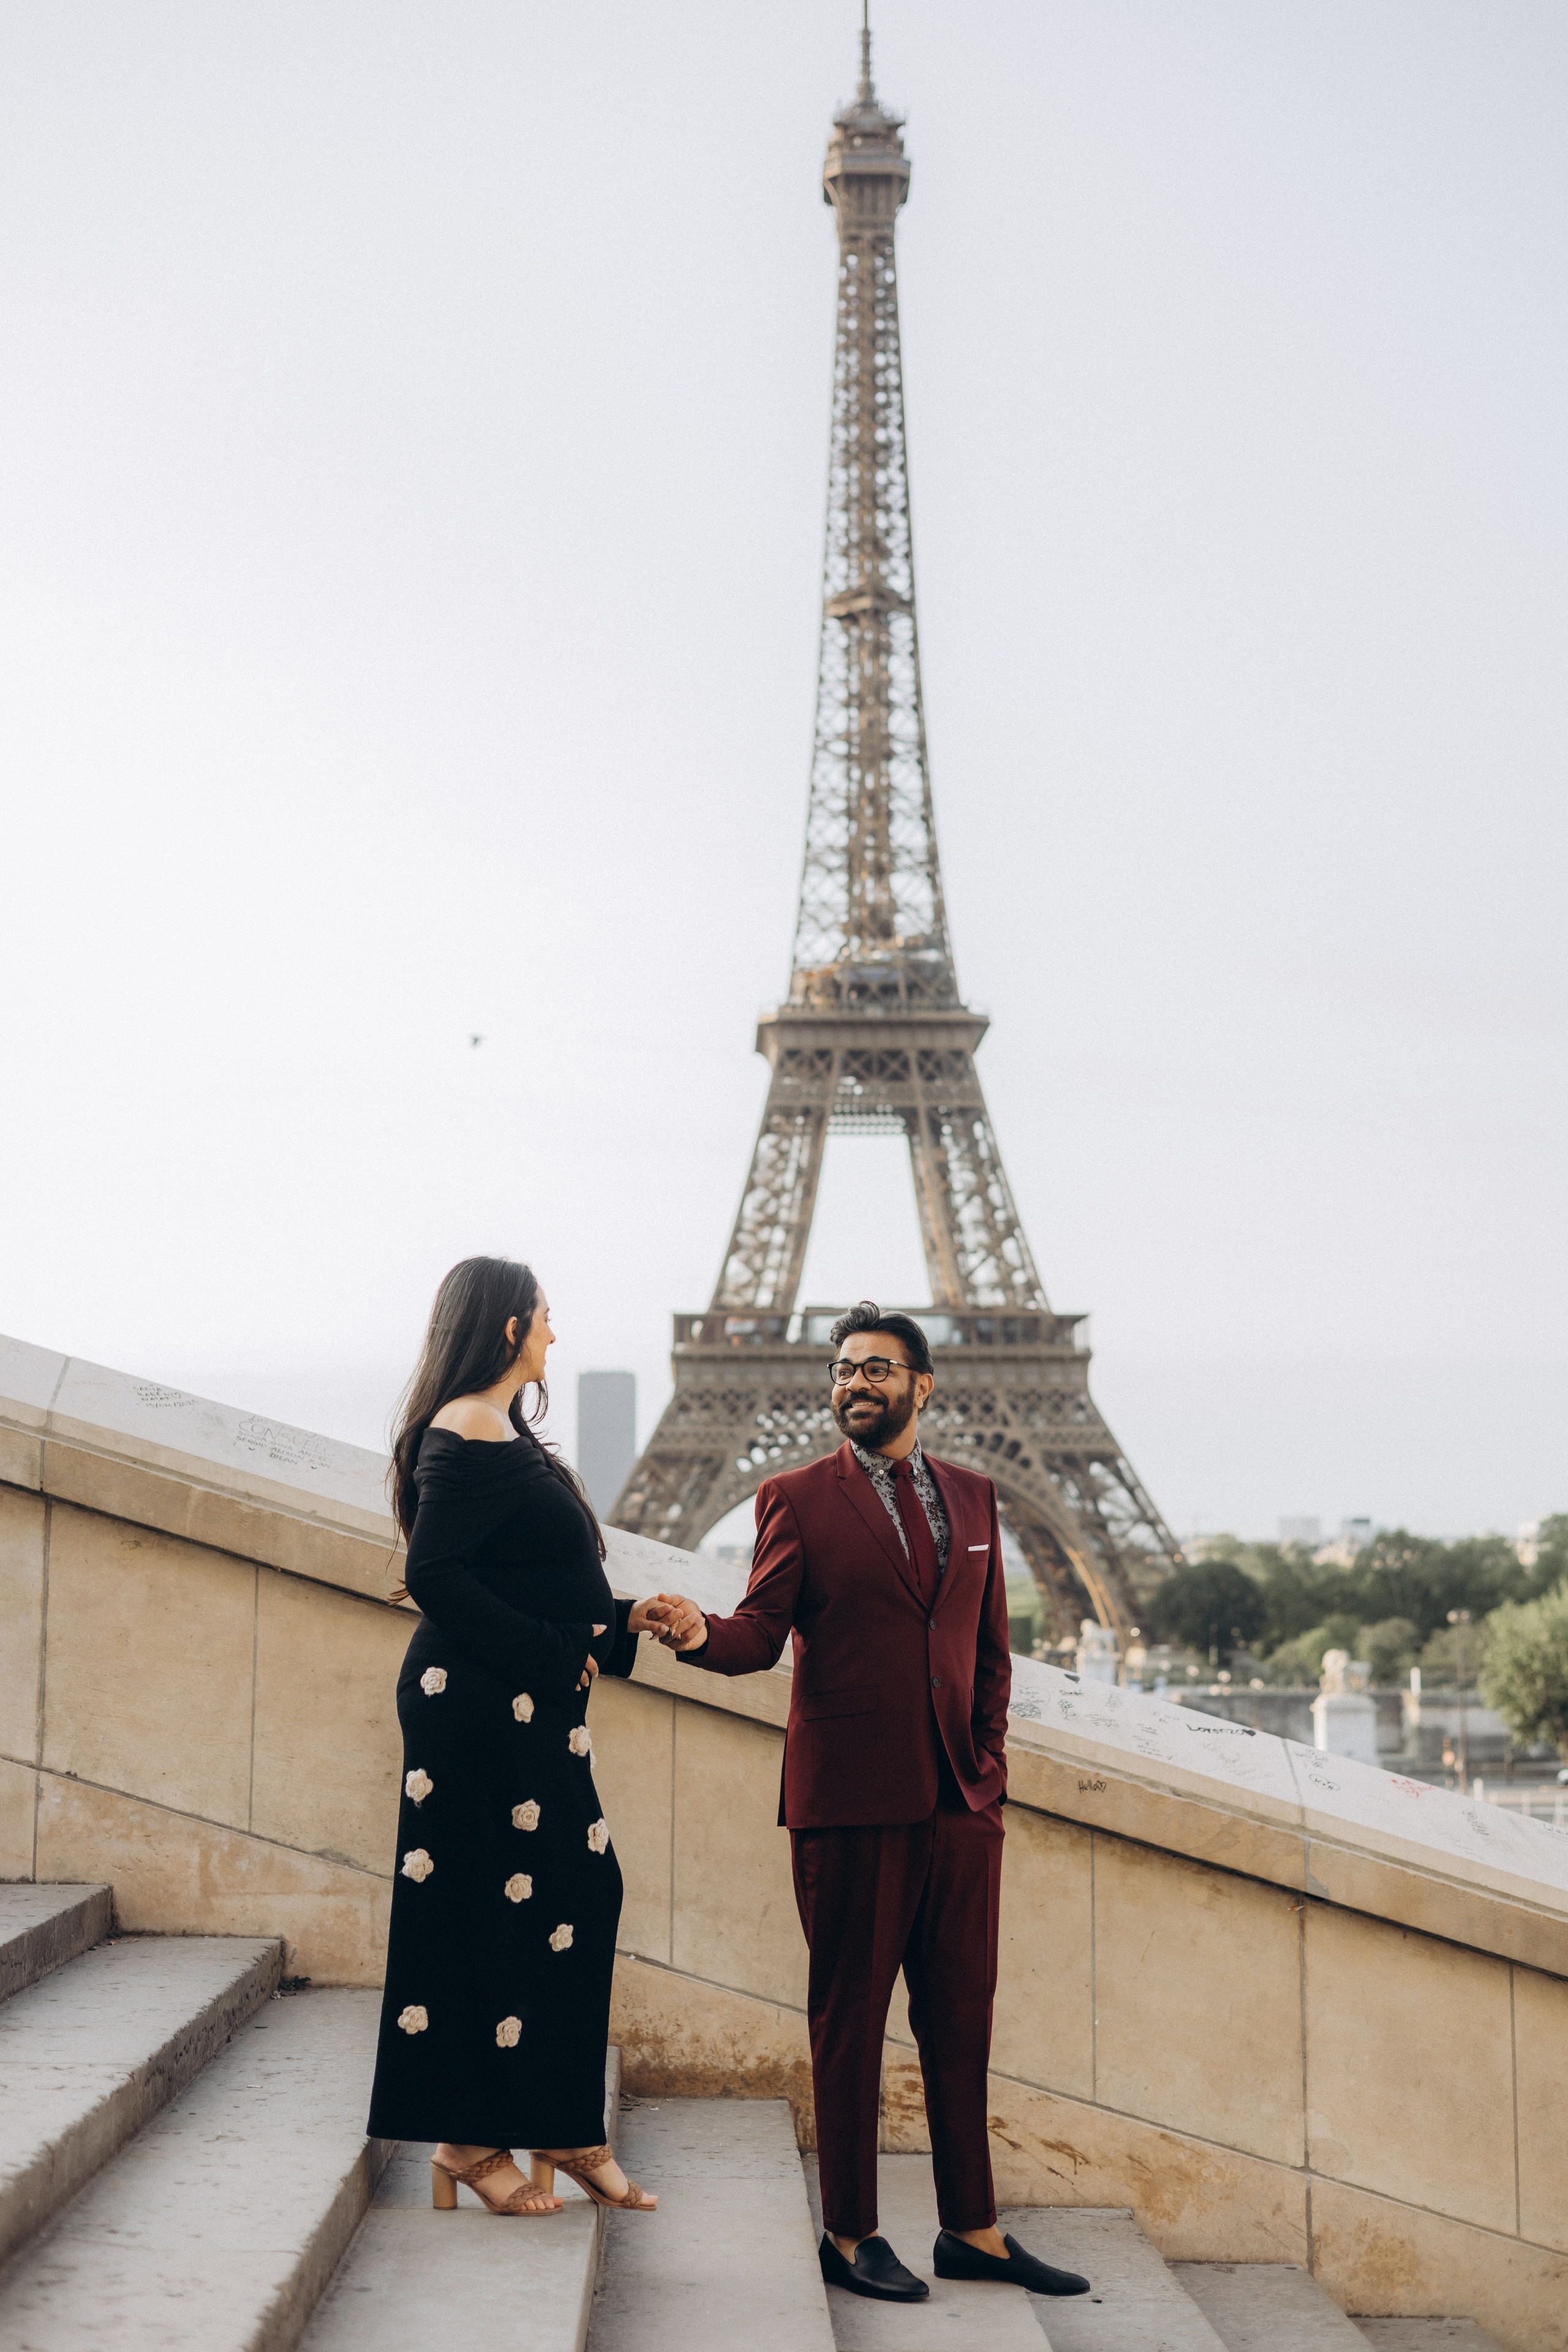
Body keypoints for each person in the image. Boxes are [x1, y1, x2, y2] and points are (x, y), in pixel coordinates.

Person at [650, 1302, 1091, 2304]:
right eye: (845, 1368)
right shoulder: (796, 1497)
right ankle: (851, 2234)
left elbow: (990, 1653)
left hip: (958, 1802)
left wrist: (986, 1771)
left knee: (961, 2016)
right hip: (848, 1801)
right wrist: (691, 1632)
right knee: (849, 2018)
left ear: (922, 1385)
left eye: (878, 1369)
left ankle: (972, 2229)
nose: (856, 1382)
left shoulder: (978, 1498)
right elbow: (761, 1633)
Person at [366, 1255, 665, 2217]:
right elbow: (437, 1575)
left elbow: (525, 1577)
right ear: (506, 1329)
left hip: (517, 1700)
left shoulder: (499, 1432)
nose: (552, 1334)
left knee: (567, 1895)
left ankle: (564, 2126)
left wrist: (620, 1621)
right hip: (479, 1706)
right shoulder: (467, 1427)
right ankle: (469, 2138)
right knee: (484, 1906)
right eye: (543, 1318)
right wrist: (552, 1653)